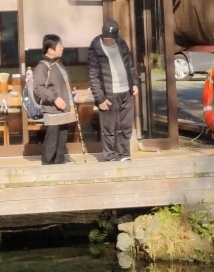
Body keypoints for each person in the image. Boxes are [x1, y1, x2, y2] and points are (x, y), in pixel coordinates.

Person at [87, 18, 138, 164]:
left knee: (126, 125)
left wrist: (134, 83)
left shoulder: (121, 44)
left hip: (125, 91)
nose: (109, 41)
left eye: (111, 39)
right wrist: (100, 99)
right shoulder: (96, 47)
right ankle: (109, 156)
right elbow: (93, 76)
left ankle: (124, 154)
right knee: (108, 127)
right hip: (109, 93)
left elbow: (130, 66)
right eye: (106, 38)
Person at [27, 34, 77, 166]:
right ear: (50, 49)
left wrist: (69, 93)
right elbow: (38, 88)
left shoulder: (58, 64)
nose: (62, 48)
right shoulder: (42, 67)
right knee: (52, 142)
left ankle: (60, 167)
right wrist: (54, 98)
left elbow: (61, 84)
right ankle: (47, 168)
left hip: (64, 109)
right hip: (53, 110)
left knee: (61, 143)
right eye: (59, 45)